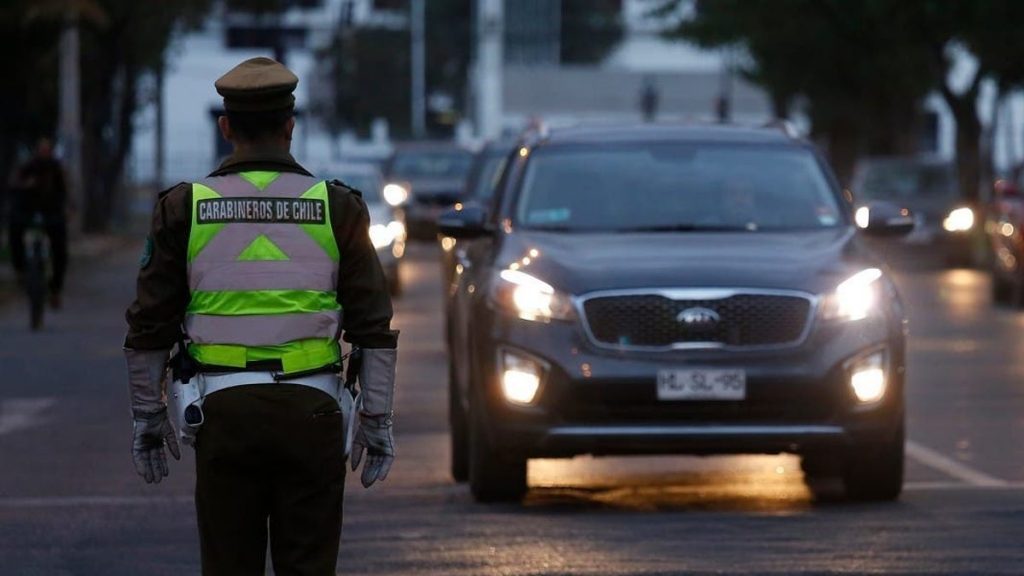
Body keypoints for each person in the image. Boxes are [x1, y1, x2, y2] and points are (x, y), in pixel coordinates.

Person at [123, 57, 399, 575]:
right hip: (312, 415)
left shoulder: (186, 208)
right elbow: (373, 329)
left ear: (226, 127)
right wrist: (377, 420)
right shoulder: (336, 208)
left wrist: (147, 417)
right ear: (290, 127)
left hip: (223, 417)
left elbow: (149, 325)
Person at [8, 138, 69, 308]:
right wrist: (25, 186)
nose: (44, 153)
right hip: (27, 213)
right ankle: (20, 270)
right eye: (41, 150)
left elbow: (64, 192)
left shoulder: (56, 168)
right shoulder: (28, 167)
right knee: (14, 232)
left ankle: (55, 289)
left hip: (52, 214)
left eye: (47, 150)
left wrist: (66, 209)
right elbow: (14, 185)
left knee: (60, 250)